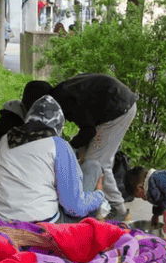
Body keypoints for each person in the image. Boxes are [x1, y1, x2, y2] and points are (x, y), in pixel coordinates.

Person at [0, 95, 105, 224]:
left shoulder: (5, 139)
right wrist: (99, 195)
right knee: (93, 167)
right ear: (58, 124)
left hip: (4, 220)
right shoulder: (57, 144)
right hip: (42, 225)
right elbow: (74, 207)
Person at [49, 72, 137, 222]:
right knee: (87, 156)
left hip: (119, 109)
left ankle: (119, 210)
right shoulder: (59, 95)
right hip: (110, 105)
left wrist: (67, 148)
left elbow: (88, 130)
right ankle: (90, 200)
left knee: (97, 163)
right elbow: (86, 127)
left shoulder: (64, 102)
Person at [0, 80, 53, 179]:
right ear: (23, 107)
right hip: (4, 165)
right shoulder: (10, 121)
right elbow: (2, 156)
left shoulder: (50, 118)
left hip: (30, 166)